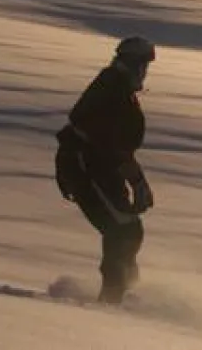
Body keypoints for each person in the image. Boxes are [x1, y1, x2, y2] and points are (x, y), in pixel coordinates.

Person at [55, 36, 156, 304]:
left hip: (97, 167)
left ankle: (122, 290)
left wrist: (137, 180)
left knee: (129, 229)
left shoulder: (119, 89)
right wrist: (135, 180)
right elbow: (104, 141)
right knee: (121, 230)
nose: (145, 72)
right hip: (85, 167)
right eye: (142, 65)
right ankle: (112, 299)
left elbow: (117, 147)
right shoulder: (112, 88)